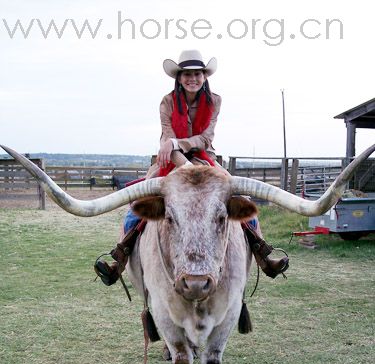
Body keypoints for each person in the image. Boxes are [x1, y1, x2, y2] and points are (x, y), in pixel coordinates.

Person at [94, 50, 288, 285]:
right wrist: (179, 155)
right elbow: (167, 139)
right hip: (171, 161)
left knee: (240, 196)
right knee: (137, 202)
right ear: (179, 77)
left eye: (197, 74)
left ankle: (263, 254)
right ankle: (120, 259)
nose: (192, 79)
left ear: (205, 76)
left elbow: (206, 138)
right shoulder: (167, 101)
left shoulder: (215, 100)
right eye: (186, 74)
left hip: (205, 158)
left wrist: (180, 144)